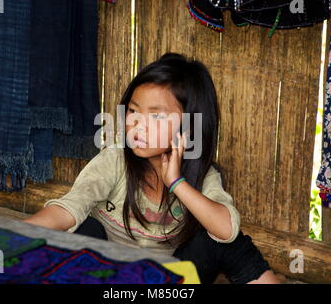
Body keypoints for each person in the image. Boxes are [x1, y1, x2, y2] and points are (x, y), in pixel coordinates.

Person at [23, 53, 280, 284]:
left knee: (218, 241)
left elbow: (227, 229)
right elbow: (69, 208)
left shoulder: (201, 176)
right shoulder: (115, 161)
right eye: (133, 111)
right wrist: (14, 236)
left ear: (188, 128)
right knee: (85, 230)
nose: (138, 124)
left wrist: (177, 183)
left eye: (156, 116)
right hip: (108, 278)